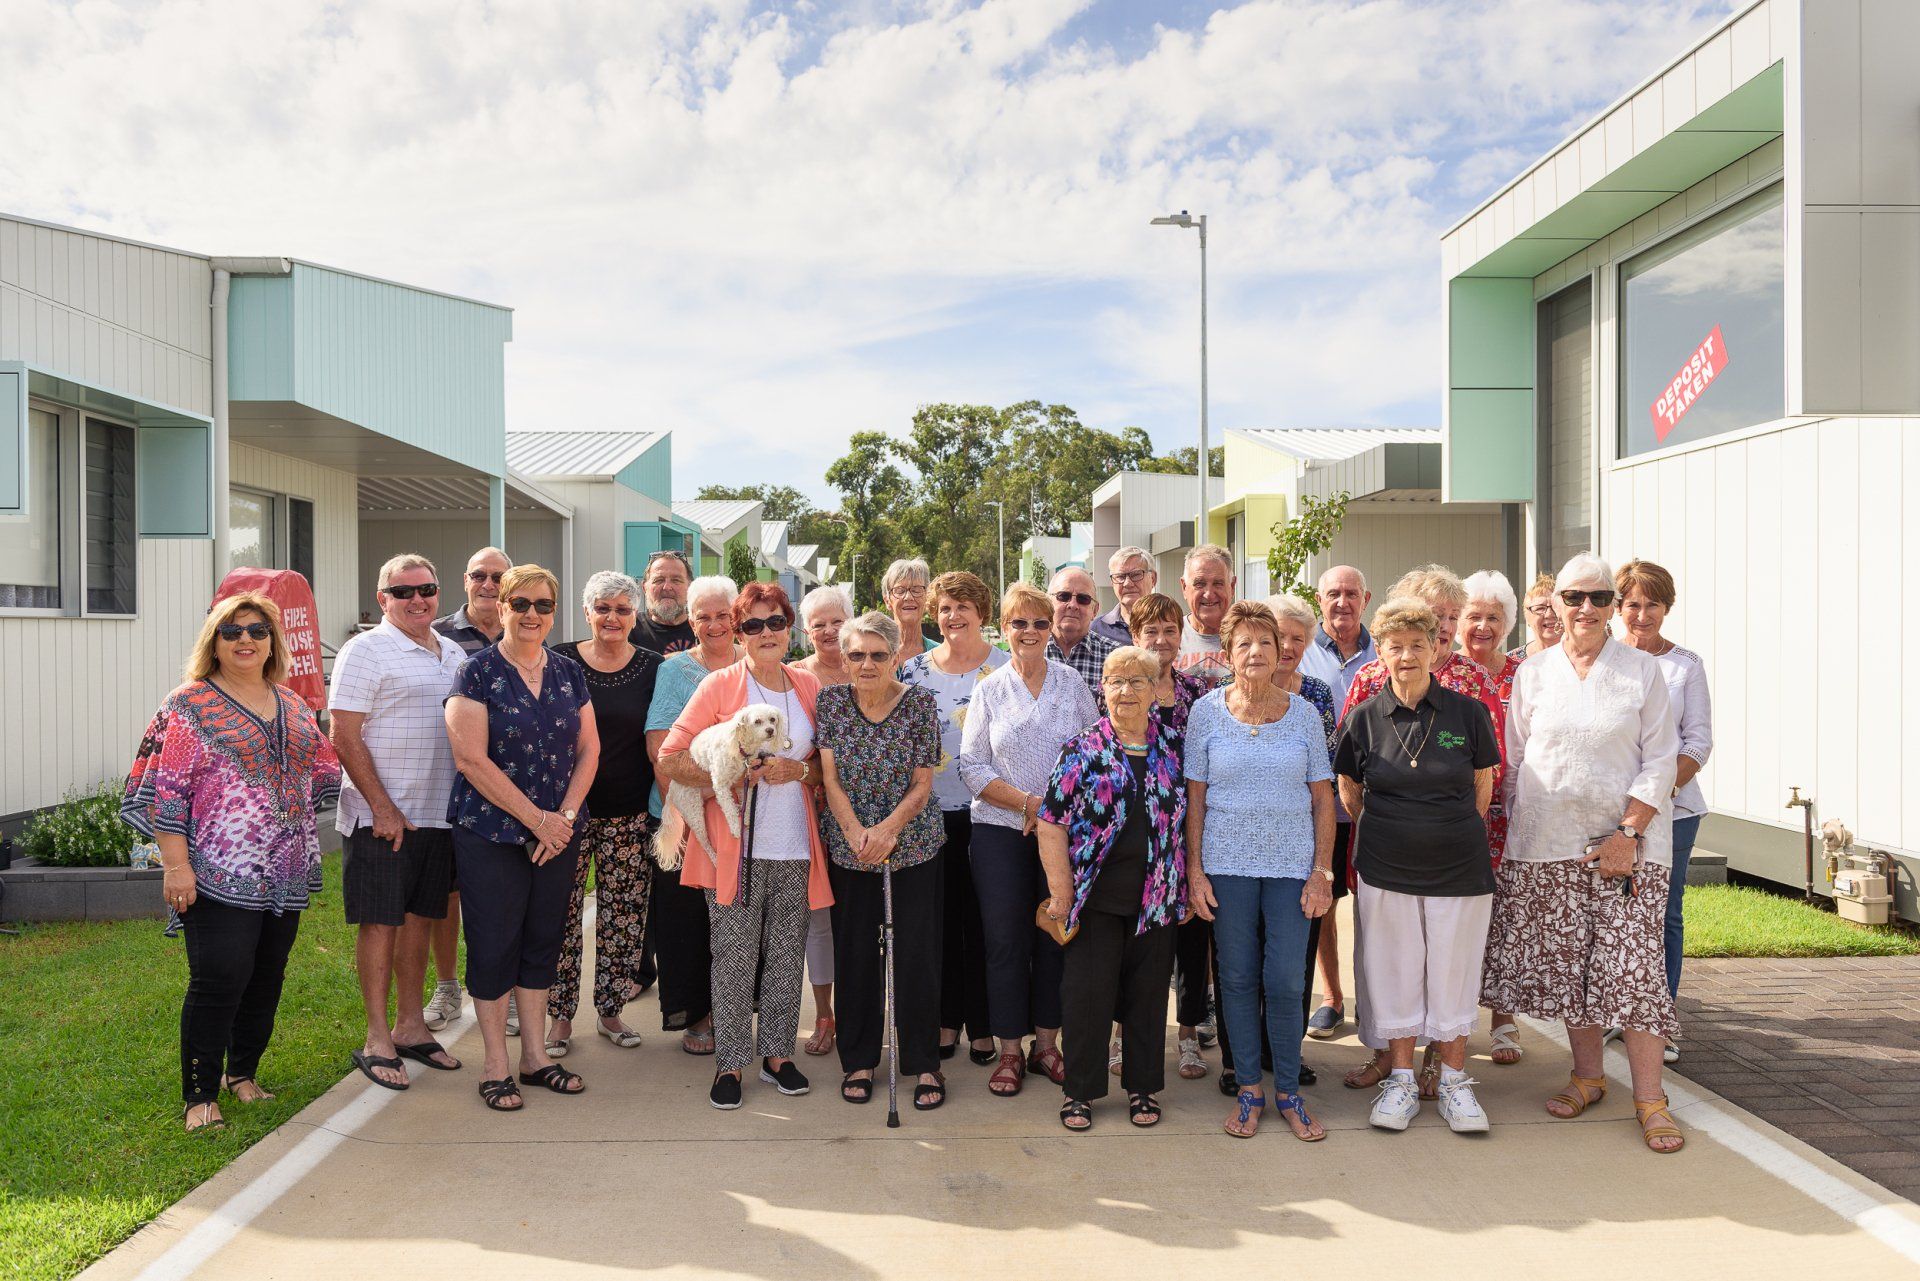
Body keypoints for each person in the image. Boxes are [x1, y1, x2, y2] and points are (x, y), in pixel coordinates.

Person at [1480, 554, 1685, 1154]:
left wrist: (1629, 833)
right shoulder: (1533, 672)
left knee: (1635, 974)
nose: (1586, 609)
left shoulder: (1642, 671)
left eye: (1599, 598)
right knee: (1576, 971)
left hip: (1628, 849)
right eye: (1574, 597)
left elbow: (1661, 759)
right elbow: (1515, 761)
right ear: (1557, 604)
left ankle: (1651, 1100)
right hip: (1546, 848)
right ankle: (1589, 1077)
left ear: (1614, 605)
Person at [122, 592, 342, 1132]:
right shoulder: (189, 705)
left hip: (283, 870)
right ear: (214, 642)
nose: (246, 639)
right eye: (233, 631)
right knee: (220, 979)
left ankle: (242, 1073)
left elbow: (324, 769)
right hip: (214, 870)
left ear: (272, 642)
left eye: (257, 630)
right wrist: (176, 866)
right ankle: (199, 1097)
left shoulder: (292, 704)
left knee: (266, 977)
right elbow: (167, 792)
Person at [658, 582, 832, 1110]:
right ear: (739, 632)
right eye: (752, 624)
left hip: (795, 844)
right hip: (736, 847)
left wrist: (797, 771)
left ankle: (778, 1056)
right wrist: (732, 775)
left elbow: (825, 768)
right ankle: (730, 1063)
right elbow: (671, 757)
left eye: (775, 622)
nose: (765, 633)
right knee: (733, 958)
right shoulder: (719, 686)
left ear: (789, 628)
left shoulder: (807, 686)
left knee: (785, 956)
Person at [1335, 598, 1501, 1135]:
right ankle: (1402, 1080)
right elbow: (1349, 789)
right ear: (1380, 653)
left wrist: (1446, 830)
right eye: (1395, 646)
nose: (1406, 656)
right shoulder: (1363, 717)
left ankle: (1453, 1081)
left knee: (1454, 969)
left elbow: (1483, 784)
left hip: (1459, 868)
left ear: (1434, 648)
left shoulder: (1467, 713)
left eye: (1416, 645)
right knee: (1396, 970)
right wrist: (1390, 829)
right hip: (1385, 867)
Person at [445, 564, 599, 1112]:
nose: (532, 614)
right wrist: (538, 820)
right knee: (493, 945)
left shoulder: (568, 672)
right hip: (492, 834)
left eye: (543, 605)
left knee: (542, 942)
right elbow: (470, 759)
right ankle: (495, 1065)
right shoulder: (476, 673)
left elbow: (590, 750)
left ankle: (535, 1059)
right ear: (501, 605)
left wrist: (564, 817)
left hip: (558, 834)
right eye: (521, 604)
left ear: (554, 613)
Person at [1185, 601, 1334, 1141]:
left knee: (1286, 980)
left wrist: (1322, 871)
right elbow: (1195, 800)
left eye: (1265, 642)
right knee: (1237, 978)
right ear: (1227, 653)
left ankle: (1288, 1091)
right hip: (1226, 867)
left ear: (1281, 652)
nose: (1256, 652)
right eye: (1243, 643)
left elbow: (1323, 799)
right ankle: (1249, 1088)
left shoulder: (1305, 714)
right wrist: (1195, 871)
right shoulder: (1205, 713)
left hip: (1293, 868)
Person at [330, 554, 468, 1092]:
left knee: (419, 920)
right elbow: (344, 734)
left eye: (426, 589)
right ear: (382, 598)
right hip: (381, 818)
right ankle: (376, 1037)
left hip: (438, 815)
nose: (417, 600)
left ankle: (411, 1027)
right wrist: (381, 806)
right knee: (380, 923)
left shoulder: (453, 652)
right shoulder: (365, 650)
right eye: (403, 591)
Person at [957, 582, 1099, 1097]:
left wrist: (1055, 813)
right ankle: (1011, 1050)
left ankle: (1047, 1046)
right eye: (1020, 623)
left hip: (1064, 835)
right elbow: (971, 764)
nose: (1031, 631)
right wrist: (1029, 806)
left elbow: (1094, 752)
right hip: (1000, 831)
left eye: (1040, 622)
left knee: (1055, 934)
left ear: (1050, 628)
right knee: (1005, 941)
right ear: (1005, 629)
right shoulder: (989, 689)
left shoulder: (1071, 683)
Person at [1037, 647, 1187, 1131]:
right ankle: (1079, 1092)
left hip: (1157, 896)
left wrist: (1185, 885)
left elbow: (1190, 820)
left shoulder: (1173, 745)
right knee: (1087, 997)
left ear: (1155, 689)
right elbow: (1051, 822)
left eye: (1137, 681)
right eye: (1116, 681)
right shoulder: (1081, 748)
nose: (1125, 691)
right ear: (1102, 689)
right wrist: (1061, 893)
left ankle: (1143, 1088)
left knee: (1148, 997)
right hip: (1094, 897)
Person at [815, 611, 946, 1108]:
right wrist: (855, 832)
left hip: (913, 846)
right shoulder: (831, 702)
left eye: (877, 655)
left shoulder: (919, 703)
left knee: (915, 954)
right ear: (844, 658)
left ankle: (923, 1061)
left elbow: (923, 782)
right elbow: (830, 779)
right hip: (851, 848)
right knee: (855, 955)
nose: (866, 664)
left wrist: (889, 829)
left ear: (895, 657)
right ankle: (859, 1059)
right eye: (856, 655)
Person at [547, 571, 661, 1056]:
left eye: (622, 609)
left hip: (630, 812)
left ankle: (610, 1011)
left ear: (635, 616)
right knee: (561, 914)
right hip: (566, 812)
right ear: (586, 612)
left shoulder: (654, 667)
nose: (612, 617)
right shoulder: (559, 661)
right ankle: (559, 1017)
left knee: (624, 916)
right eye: (603, 608)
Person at [900, 571, 1009, 1067]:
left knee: (984, 923)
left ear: (981, 613)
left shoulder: (1005, 668)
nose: (953, 615)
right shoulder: (912, 673)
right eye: (945, 607)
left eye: (964, 606)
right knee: (939, 924)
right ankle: (946, 1021)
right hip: (928, 815)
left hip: (991, 815)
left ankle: (983, 1025)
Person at [1616, 558, 1713, 1065]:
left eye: (1652, 604)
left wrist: (1656, 794)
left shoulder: (1685, 666)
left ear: (1667, 608)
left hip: (1674, 812)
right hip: (1611, 811)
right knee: (1615, 914)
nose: (1642, 614)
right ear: (1618, 607)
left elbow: (1698, 742)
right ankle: (1617, 1012)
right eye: (1633, 604)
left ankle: (1660, 1020)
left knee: (1663, 914)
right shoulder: (1606, 660)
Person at [643, 574, 740, 1054]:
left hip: (741, 818)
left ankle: (734, 1011)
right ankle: (698, 1015)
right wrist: (685, 817)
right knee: (687, 923)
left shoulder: (756, 663)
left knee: (738, 921)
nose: (715, 624)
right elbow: (660, 747)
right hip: (685, 816)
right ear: (692, 621)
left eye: (723, 615)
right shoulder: (675, 670)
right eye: (704, 616)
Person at [1122, 591, 1213, 1080]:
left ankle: (1189, 1034)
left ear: (1182, 636)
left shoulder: (1199, 692)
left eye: (1169, 630)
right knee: (1135, 937)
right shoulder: (1120, 688)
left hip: (1190, 828)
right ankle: (1123, 1034)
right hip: (1136, 832)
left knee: (1193, 937)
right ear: (1135, 636)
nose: (1160, 640)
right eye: (1150, 631)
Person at [427, 544, 511, 1031]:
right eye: (479, 575)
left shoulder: (526, 632)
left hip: (514, 789)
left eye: (498, 577)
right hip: (453, 784)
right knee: (449, 894)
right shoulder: (437, 636)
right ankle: (446, 987)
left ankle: (507, 990)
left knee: (503, 895)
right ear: (465, 580)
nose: (488, 585)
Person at [1299, 565, 1374, 1045]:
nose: (1342, 602)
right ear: (1319, 599)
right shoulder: (1302, 650)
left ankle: (1373, 998)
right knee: (1323, 902)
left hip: (1373, 807)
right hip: (1320, 805)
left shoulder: (1383, 650)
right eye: (1333, 594)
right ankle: (1331, 997)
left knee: (1374, 905)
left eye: (1351, 593)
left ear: (1365, 598)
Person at [1460, 569, 1525, 1066]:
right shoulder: (1446, 673)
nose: (1482, 626)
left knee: (1505, 919)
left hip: (1511, 816)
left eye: (1494, 618)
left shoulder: (1524, 675)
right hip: (1458, 818)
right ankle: (1454, 1021)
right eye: (1473, 616)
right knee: (1458, 923)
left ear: (1509, 624)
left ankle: (1504, 1018)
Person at [794, 583, 855, 1056]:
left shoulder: (870, 666)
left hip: (865, 814)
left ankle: (862, 1011)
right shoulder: (795, 677)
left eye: (838, 621)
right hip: (808, 811)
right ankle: (824, 1014)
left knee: (859, 919)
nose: (830, 631)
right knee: (818, 919)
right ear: (806, 630)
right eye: (819, 624)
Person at [1047, 565, 1118, 699]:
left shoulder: (1115, 657)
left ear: (1095, 610)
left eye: (1083, 599)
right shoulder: (1029, 652)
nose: (1073, 605)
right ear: (1048, 603)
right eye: (1063, 596)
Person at [1175, 544, 1236, 687]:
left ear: (1232, 586)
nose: (1209, 594)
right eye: (1200, 584)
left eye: (1218, 583)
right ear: (1184, 587)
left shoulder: (1250, 637)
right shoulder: (1168, 637)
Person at [630, 550, 696, 656]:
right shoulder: (628, 628)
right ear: (644, 588)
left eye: (676, 580)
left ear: (690, 587)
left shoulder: (704, 628)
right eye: (659, 580)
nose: (667, 587)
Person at [1091, 545, 1157, 646]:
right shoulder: (1097, 629)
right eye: (1120, 577)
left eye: (1136, 574)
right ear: (1112, 583)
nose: (1127, 583)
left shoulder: (1173, 625)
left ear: (1153, 579)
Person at [882, 558, 935, 668]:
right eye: (900, 591)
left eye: (916, 590)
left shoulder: (941, 654)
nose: (908, 597)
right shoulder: (875, 654)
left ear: (927, 597)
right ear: (887, 601)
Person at [1514, 572, 1563, 660]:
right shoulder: (1510, 663)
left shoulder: (1586, 659)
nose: (1549, 614)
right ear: (1526, 617)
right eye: (1540, 608)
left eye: (1555, 607)